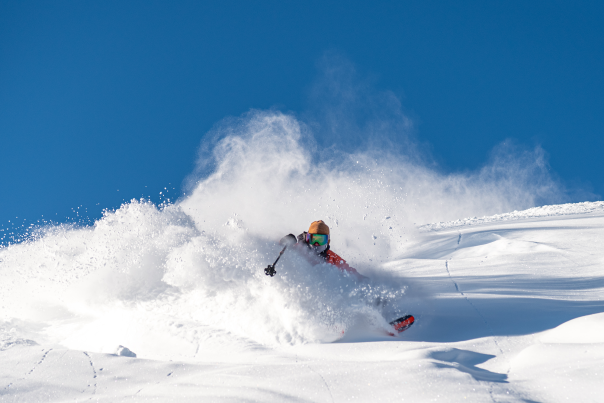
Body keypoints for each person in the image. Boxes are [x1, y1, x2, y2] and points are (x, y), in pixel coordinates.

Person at [280, 220, 366, 279]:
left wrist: (369, 283)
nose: (316, 243)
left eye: (320, 240)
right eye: (314, 239)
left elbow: (351, 273)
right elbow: (274, 251)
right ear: (307, 239)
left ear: (328, 241)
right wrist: (284, 242)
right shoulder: (298, 248)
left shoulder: (332, 258)